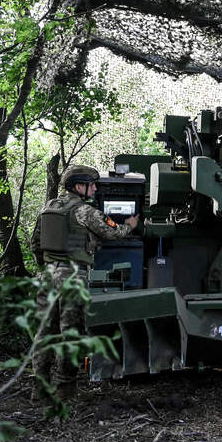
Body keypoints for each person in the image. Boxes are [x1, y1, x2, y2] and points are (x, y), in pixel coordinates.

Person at [30, 164, 138, 401]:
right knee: (71, 335)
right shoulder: (84, 211)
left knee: (44, 334)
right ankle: (63, 392)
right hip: (71, 278)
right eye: (92, 185)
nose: (96, 189)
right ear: (79, 186)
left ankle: (39, 389)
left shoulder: (48, 207)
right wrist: (130, 225)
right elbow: (114, 232)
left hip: (46, 277)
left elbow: (35, 244)